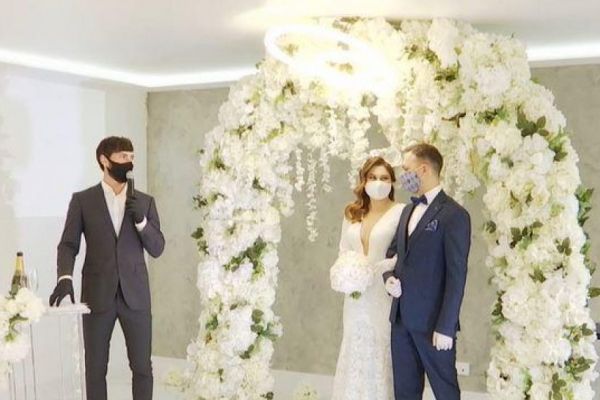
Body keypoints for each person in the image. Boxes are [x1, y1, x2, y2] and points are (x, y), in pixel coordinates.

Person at [49, 136, 165, 400]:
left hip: (136, 297)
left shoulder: (145, 202)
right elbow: (68, 244)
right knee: (95, 369)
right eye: (123, 156)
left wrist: (141, 222)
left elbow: (158, 248)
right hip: (97, 295)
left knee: (142, 368)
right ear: (105, 160)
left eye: (132, 157)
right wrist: (65, 277)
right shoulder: (83, 200)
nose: (129, 162)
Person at [382, 143, 471, 400]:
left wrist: (446, 326)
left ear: (423, 169)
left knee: (445, 392)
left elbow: (457, 276)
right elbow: (392, 253)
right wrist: (388, 278)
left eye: (406, 168)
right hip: (401, 320)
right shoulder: (407, 210)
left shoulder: (454, 215)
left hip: (433, 324)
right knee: (405, 392)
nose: (402, 175)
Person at [332, 156, 405, 400]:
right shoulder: (352, 213)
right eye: (372, 177)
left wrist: (378, 269)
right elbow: (344, 251)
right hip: (355, 297)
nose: (378, 182)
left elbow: (402, 255)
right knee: (354, 347)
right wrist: (346, 272)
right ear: (364, 180)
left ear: (392, 182)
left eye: (384, 178)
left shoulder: (401, 212)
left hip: (383, 294)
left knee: (380, 351)